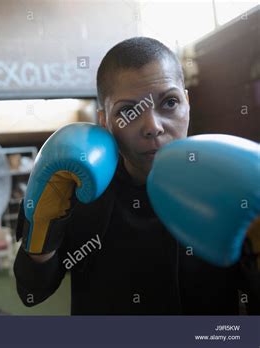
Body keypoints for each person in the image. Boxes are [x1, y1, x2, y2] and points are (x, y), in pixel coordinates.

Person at [13, 37, 259, 315]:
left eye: (169, 102)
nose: (152, 126)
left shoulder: (228, 182)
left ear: (187, 104)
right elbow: (32, 293)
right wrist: (42, 230)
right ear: (105, 121)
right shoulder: (77, 186)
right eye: (129, 111)